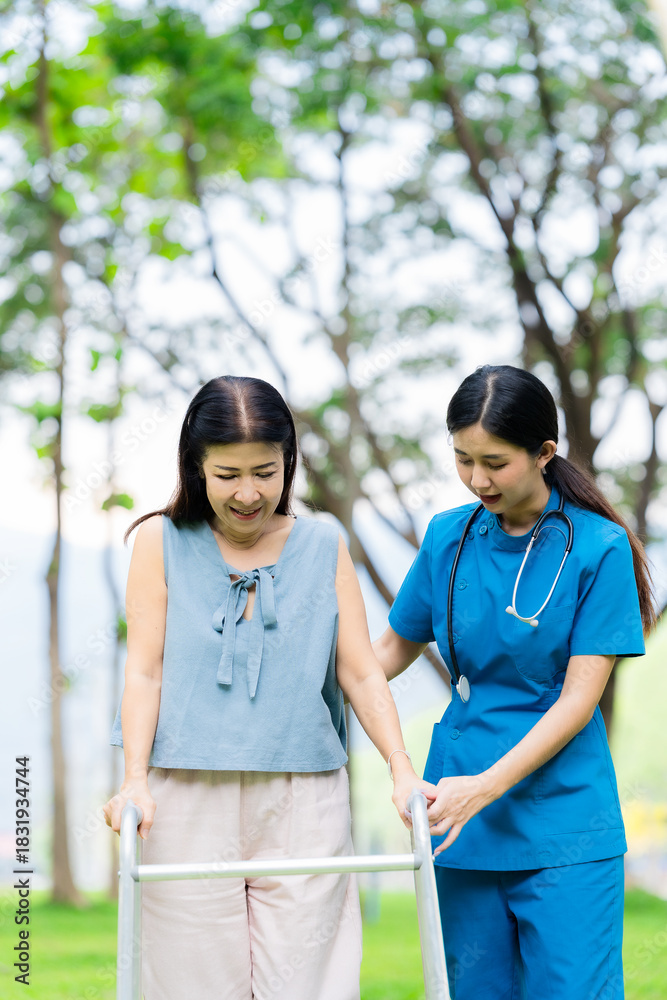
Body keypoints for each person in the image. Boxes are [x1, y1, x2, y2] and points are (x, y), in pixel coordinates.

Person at [103, 374, 434, 1000]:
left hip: (304, 796)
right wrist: (134, 779)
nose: (248, 493)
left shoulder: (323, 542)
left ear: (288, 463)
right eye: (227, 474)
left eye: (265, 472)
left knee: (309, 984)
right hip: (184, 793)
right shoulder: (159, 541)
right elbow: (145, 671)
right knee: (192, 985)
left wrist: (401, 770)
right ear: (196, 467)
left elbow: (360, 670)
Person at [372, 364, 657, 1000]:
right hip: (458, 815)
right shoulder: (448, 536)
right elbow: (387, 652)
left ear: (544, 453)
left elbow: (578, 701)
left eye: (495, 463)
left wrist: (484, 788)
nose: (477, 480)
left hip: (563, 819)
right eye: (462, 459)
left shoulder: (599, 547)